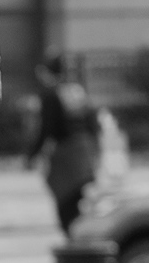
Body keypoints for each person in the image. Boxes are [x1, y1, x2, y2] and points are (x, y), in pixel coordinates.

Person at [27, 51, 101, 234]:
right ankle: (81, 238)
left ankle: (76, 243)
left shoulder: (50, 95)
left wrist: (32, 154)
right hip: (83, 152)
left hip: (66, 155)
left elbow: (47, 128)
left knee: (65, 204)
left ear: (46, 72)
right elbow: (93, 122)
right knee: (77, 199)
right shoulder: (75, 90)